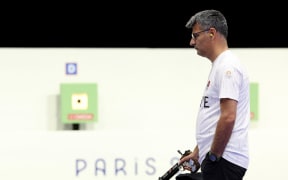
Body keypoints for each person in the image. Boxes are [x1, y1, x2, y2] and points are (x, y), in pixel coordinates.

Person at [178, 9, 250, 180]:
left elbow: (228, 117)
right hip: (219, 160)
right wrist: (198, 152)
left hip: (223, 160)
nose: (191, 42)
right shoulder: (220, 65)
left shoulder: (227, 66)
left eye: (195, 36)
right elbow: (214, 118)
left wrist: (213, 155)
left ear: (211, 33)